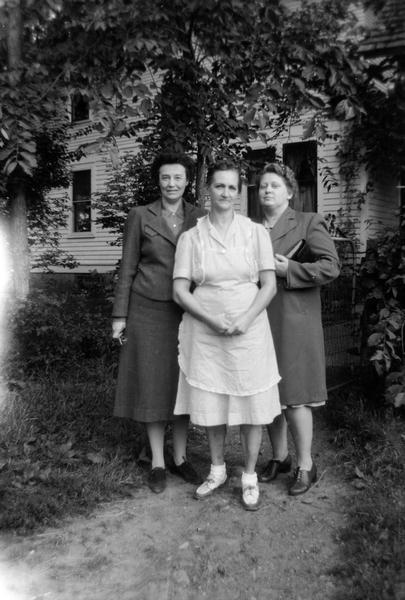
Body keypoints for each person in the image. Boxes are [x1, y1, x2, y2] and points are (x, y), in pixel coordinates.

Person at [172, 159, 281, 511]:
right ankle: (217, 469)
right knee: (213, 403)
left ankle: (249, 475)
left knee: (251, 404)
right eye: (219, 186)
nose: (225, 193)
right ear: (208, 190)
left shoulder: (255, 233)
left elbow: (268, 285)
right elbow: (180, 291)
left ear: (239, 192)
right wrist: (211, 319)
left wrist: (246, 318)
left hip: (249, 332)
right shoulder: (191, 237)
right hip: (205, 332)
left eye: (232, 187)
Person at [112, 151, 205, 494]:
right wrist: (119, 315)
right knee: (152, 384)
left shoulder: (200, 217)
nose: (171, 184)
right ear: (158, 180)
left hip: (188, 311)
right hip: (148, 310)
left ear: (186, 181)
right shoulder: (140, 215)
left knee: (182, 385)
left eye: (178, 177)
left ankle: (180, 458)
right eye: (166, 177)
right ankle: (156, 461)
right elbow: (128, 267)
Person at [257, 162, 340, 495]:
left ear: (289, 191)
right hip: (261, 319)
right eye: (263, 186)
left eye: (275, 185)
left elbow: (331, 267)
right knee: (267, 394)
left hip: (296, 321)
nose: (267, 191)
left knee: (296, 397)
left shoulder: (308, 221)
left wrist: (290, 267)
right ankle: (281, 457)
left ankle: (306, 464)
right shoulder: (250, 229)